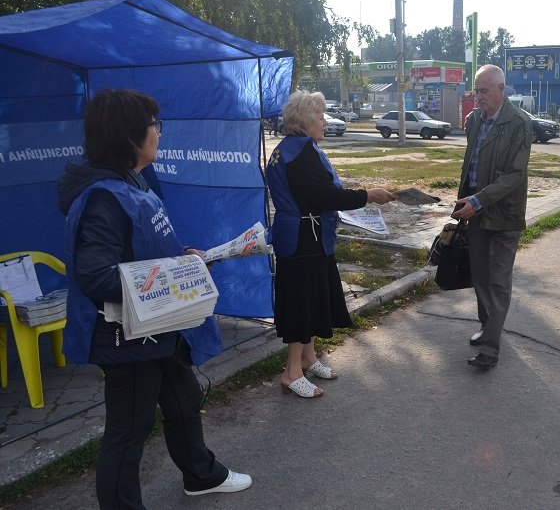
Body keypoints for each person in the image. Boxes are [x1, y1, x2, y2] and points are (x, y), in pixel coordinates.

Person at [57, 89, 251, 508]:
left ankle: (201, 475)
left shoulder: (134, 182)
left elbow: (140, 249)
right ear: (130, 137)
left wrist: (184, 261)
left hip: (161, 326)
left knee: (183, 402)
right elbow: (95, 276)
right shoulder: (103, 198)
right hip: (128, 338)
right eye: (154, 126)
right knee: (128, 432)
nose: (159, 134)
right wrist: (171, 277)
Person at [266, 90, 395, 397]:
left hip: (303, 234)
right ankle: (291, 371)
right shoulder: (302, 153)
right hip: (303, 238)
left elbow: (317, 193)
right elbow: (324, 196)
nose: (325, 122)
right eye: (321, 116)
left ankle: (309, 358)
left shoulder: (289, 148)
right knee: (300, 303)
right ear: (305, 120)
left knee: (309, 298)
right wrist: (366, 195)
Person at [452, 64, 533, 370]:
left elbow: (514, 174)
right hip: (474, 211)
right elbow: (471, 163)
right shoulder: (475, 119)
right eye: (476, 89)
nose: (478, 96)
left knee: (498, 280)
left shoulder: (519, 124)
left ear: (501, 89)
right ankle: (488, 326)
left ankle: (490, 347)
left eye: (484, 90)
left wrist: (479, 199)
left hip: (503, 214)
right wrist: (465, 199)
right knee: (480, 275)